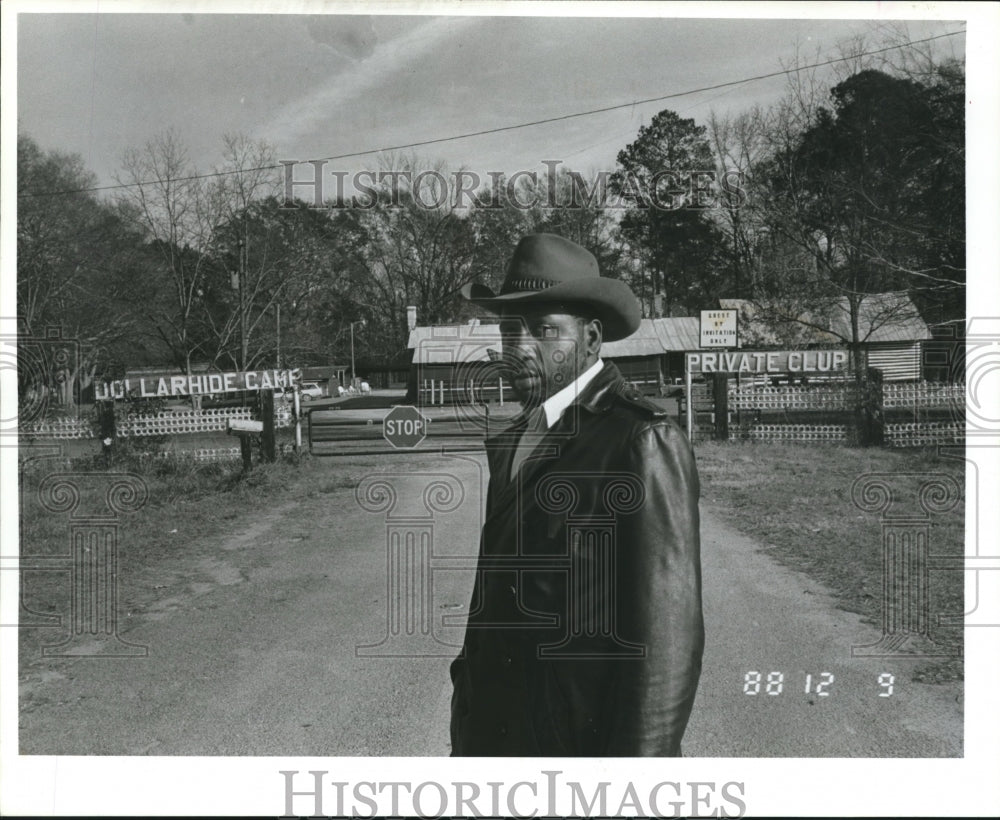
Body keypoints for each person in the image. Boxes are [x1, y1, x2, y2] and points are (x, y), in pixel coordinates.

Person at [450, 233, 703, 757]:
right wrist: (466, 712)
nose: (519, 349)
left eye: (544, 329)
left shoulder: (638, 442)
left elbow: (667, 644)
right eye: (508, 329)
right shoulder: (513, 439)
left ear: (589, 339)